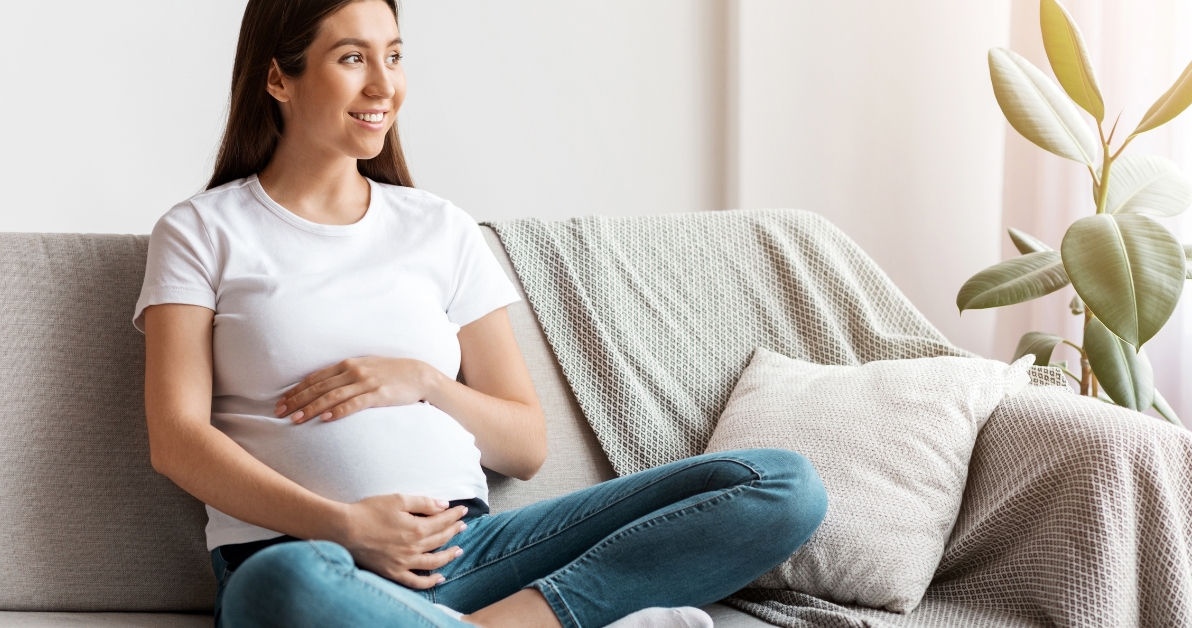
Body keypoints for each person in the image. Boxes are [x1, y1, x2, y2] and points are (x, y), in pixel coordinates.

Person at [136, 1, 828, 626]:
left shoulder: (441, 228)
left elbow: (525, 445)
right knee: (278, 586)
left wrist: (426, 382)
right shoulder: (202, 231)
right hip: (313, 558)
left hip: (474, 552)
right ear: (278, 79)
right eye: (352, 58)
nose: (384, 84)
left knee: (781, 485)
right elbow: (177, 440)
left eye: (395, 55)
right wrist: (346, 525)